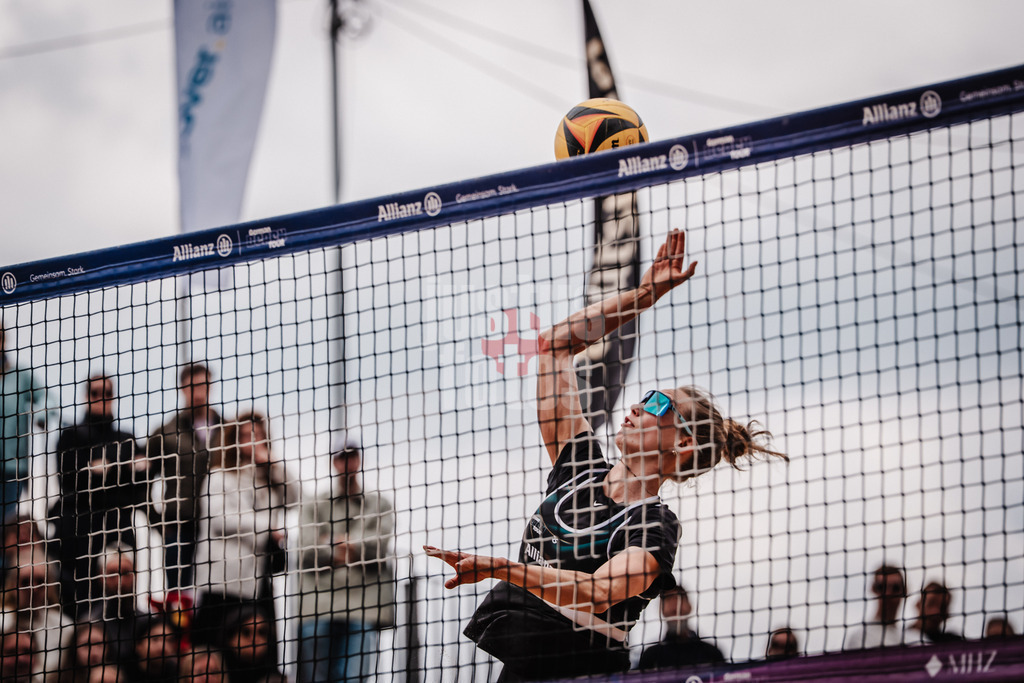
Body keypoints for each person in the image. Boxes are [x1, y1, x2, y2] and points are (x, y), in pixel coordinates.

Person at [425, 230, 785, 681]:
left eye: (658, 404)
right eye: (647, 395)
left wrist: (503, 568)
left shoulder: (655, 525)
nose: (637, 405)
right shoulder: (578, 468)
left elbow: (598, 592)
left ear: (684, 443)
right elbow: (554, 345)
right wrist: (644, 296)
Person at [296, 441, 396, 682]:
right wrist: (353, 548)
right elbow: (307, 549)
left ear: (359, 461)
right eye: (342, 458)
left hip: (363, 604)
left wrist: (331, 544)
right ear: (334, 462)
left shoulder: (379, 504)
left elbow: (378, 548)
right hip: (318, 604)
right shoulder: (314, 503)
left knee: (354, 677)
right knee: (315, 675)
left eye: (352, 457)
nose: (347, 463)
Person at [192, 412, 293, 647]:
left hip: (256, 581)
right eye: (246, 435)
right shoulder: (219, 476)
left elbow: (297, 497)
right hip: (221, 581)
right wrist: (267, 529)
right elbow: (220, 519)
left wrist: (274, 464)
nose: (252, 440)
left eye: (257, 435)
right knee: (213, 647)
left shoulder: (269, 481)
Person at [50, 374, 144, 616]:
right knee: (76, 601)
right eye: (95, 393)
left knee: (119, 598)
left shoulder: (126, 438)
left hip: (116, 529)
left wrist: (105, 467)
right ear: (86, 397)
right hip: (76, 532)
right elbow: (69, 480)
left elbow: (137, 487)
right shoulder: (70, 436)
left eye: (108, 393)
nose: (102, 399)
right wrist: (119, 468)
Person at [148, 363, 223, 591]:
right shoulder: (166, 432)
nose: (199, 392)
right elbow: (143, 481)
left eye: (204, 385)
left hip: (218, 527)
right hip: (178, 528)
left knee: (215, 593)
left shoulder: (228, 430)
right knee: (179, 596)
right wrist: (158, 521)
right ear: (182, 388)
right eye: (193, 386)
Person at [0, 323, 56, 521]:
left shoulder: (20, 375)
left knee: (5, 526)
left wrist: (41, 415)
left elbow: (49, 400)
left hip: (13, 468)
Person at [637, 585, 725, 670]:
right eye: (668, 598)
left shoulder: (711, 654)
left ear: (690, 607)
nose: (675, 603)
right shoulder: (651, 657)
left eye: (680, 597)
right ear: (661, 609)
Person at [87, 546, 146, 664]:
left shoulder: (147, 624)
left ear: (136, 574)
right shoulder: (90, 625)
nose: (120, 582)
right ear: (101, 577)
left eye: (126, 573)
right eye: (112, 573)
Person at [845, 564, 907, 650]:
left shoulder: (913, 638)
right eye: (882, 587)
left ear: (905, 591)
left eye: (895, 588)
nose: (888, 593)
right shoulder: (861, 637)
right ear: (873, 589)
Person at [219, 604, 283, 683]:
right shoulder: (216, 669)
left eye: (262, 632)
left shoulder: (279, 672)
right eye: (246, 632)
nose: (254, 639)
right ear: (231, 637)